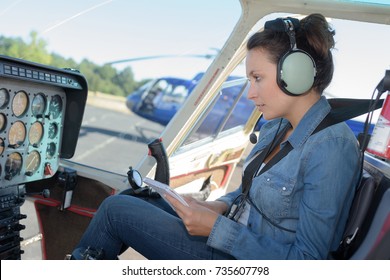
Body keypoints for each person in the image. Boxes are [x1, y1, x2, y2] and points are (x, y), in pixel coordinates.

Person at [71, 13, 361, 260]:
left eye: (257, 78)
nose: (250, 93)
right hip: (234, 236)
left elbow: (309, 261)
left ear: (295, 73)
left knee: (115, 211)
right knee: (135, 198)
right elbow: (251, 192)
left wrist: (218, 229)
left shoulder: (331, 146)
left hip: (241, 258)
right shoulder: (276, 126)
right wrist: (217, 206)